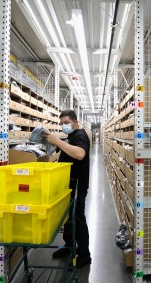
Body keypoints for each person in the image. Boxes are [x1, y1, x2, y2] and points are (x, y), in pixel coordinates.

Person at [45, 110, 92, 269]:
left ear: (75, 122)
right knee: (68, 219)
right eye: (62, 123)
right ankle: (69, 246)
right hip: (68, 186)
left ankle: (85, 255)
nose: (63, 126)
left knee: (78, 219)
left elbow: (79, 154)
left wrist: (57, 141)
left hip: (78, 185)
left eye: (66, 122)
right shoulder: (72, 136)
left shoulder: (80, 135)